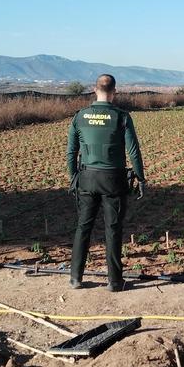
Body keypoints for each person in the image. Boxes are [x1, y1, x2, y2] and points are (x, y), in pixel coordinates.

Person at [67, 74, 146, 291]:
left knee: (83, 227)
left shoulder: (80, 117)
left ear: (95, 90)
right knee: (113, 228)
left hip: (87, 179)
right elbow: (133, 151)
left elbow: (71, 151)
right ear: (114, 92)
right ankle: (114, 281)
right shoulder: (121, 117)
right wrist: (140, 178)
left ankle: (75, 278)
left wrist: (74, 177)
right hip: (114, 180)